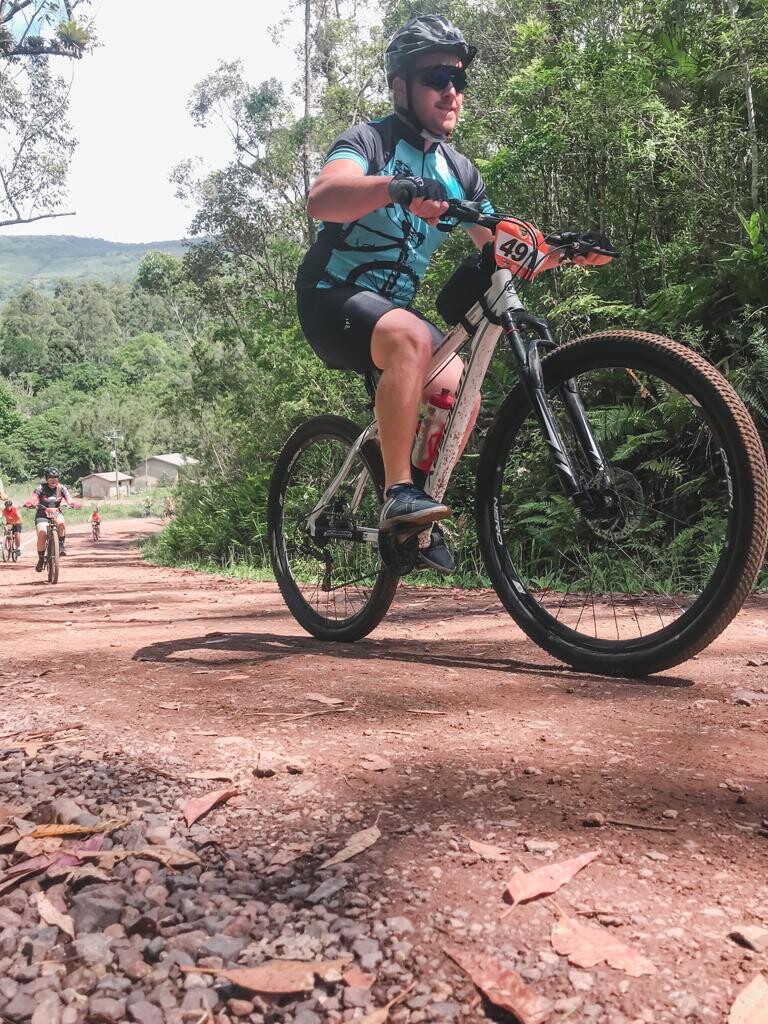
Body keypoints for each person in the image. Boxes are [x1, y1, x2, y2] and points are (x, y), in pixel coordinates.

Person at [296, 15, 610, 574]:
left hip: (390, 313)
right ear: (401, 87)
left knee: (457, 385)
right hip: (330, 297)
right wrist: (393, 187)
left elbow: (503, 245)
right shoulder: (370, 141)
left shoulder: (459, 172)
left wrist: (563, 251)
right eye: (437, 77)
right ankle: (397, 491)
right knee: (411, 338)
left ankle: (414, 512)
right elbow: (324, 196)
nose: (451, 91)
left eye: (458, 79)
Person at [23, 468, 80, 571]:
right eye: (50, 478)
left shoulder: (62, 488)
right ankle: (41, 559)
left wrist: (73, 503)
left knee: (61, 523)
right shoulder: (41, 488)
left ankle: (61, 545)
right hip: (42, 514)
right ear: (46, 478)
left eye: (56, 477)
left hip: (56, 512)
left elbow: (69, 499)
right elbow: (33, 497)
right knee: (42, 533)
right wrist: (29, 503)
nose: (53, 480)